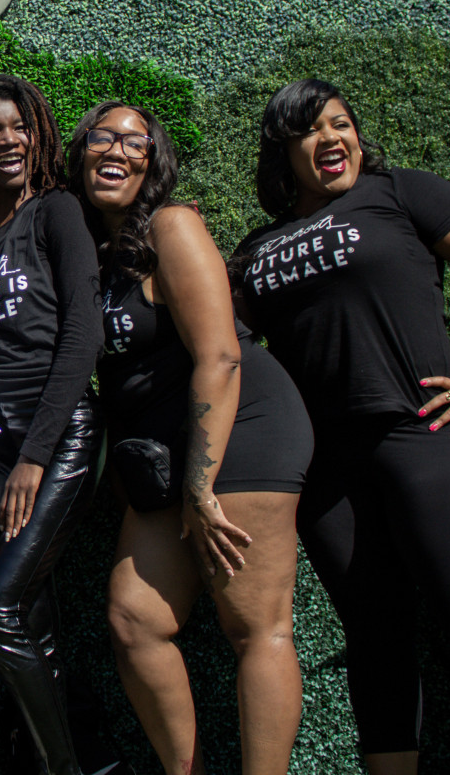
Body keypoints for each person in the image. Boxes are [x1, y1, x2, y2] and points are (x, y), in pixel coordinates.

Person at [230, 79, 450, 775]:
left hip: (422, 430)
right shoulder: (257, 248)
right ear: (283, 151)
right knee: (374, 631)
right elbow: (220, 345)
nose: (332, 138)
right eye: (311, 130)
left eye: (341, 123)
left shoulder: (399, 192)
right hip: (327, 466)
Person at [72, 101, 312, 775]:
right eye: (102, 136)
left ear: (154, 164)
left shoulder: (172, 226)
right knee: (135, 621)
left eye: (136, 142)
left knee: (253, 624)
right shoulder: (94, 256)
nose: (117, 149)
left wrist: (200, 487)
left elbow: (220, 355)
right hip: (166, 457)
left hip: (242, 430)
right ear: (80, 153)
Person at [0, 77, 126, 775]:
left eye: (19, 126)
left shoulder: (56, 211)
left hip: (58, 439)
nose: (9, 140)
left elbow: (83, 334)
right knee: (32, 622)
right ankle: (72, 756)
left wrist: (36, 455)